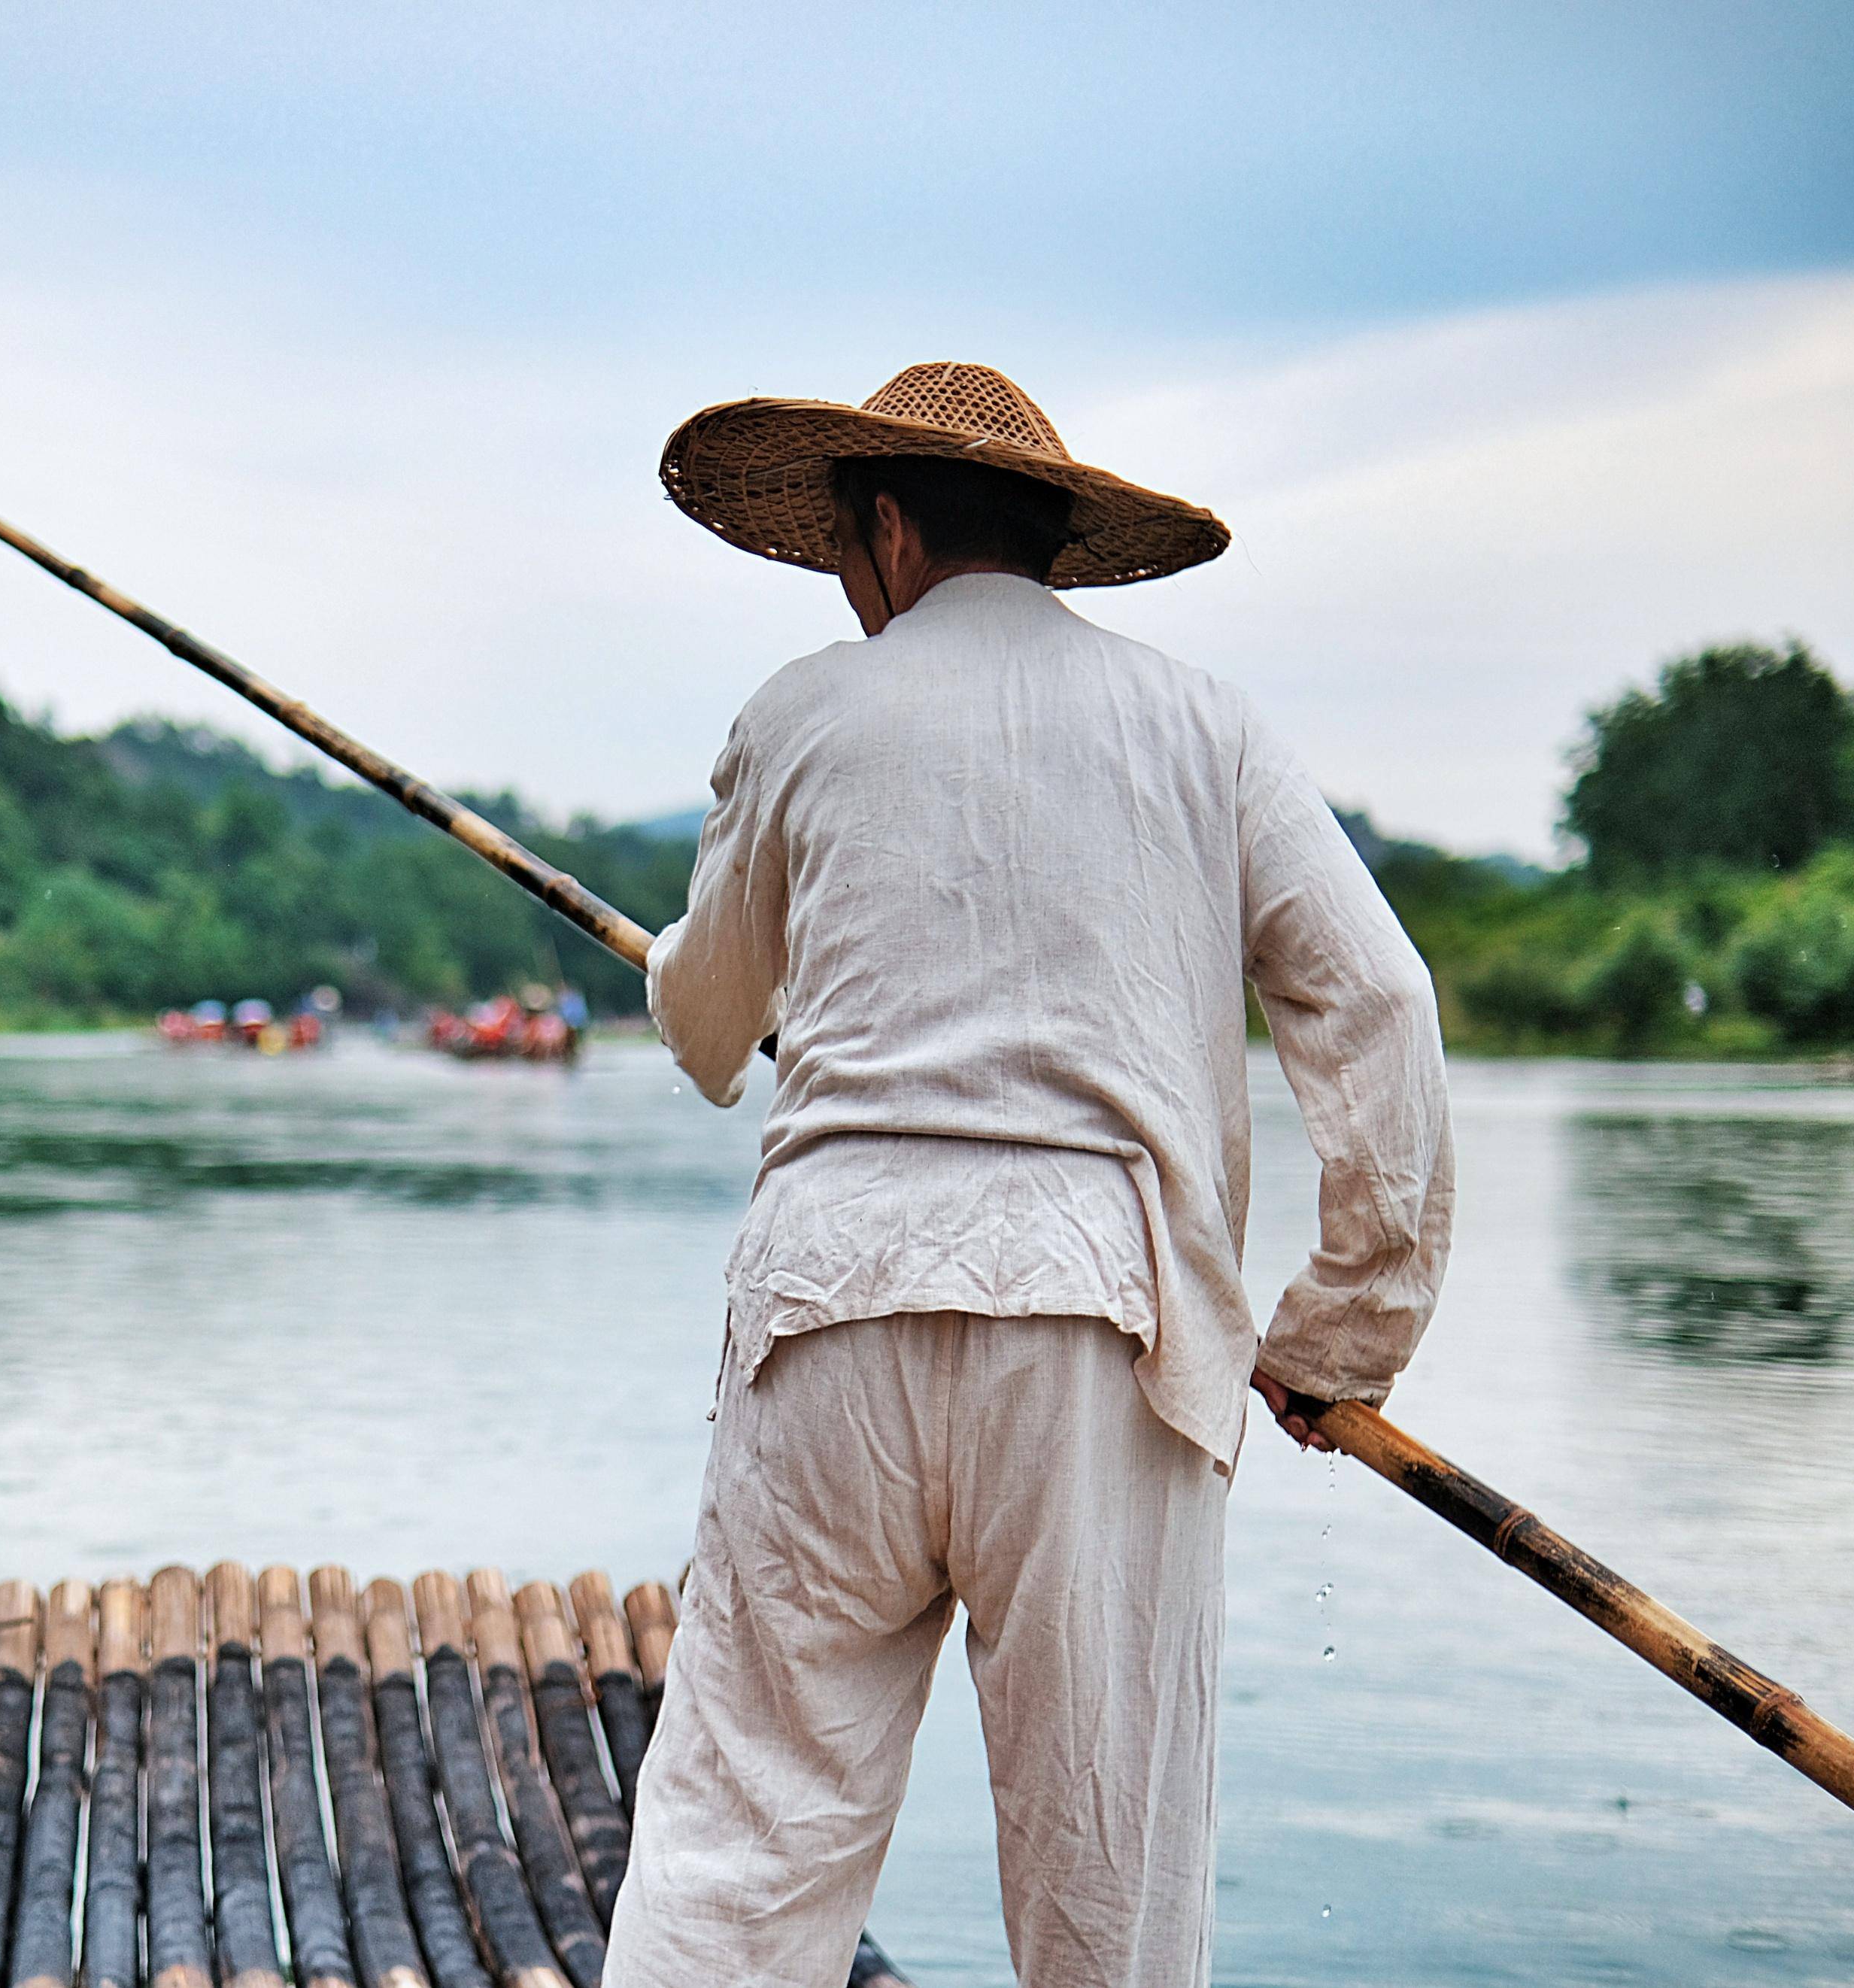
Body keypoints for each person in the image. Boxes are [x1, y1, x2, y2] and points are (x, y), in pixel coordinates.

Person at [607, 364, 1455, 1988]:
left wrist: (674, 976)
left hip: (831, 1311)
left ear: (891, 528)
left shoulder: (801, 713)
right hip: (1103, 1330)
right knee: (1107, 1895)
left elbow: (713, 1025)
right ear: (1055, 541)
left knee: (743, 1844)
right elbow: (1380, 1005)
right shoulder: (1206, 724)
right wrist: (1340, 1335)